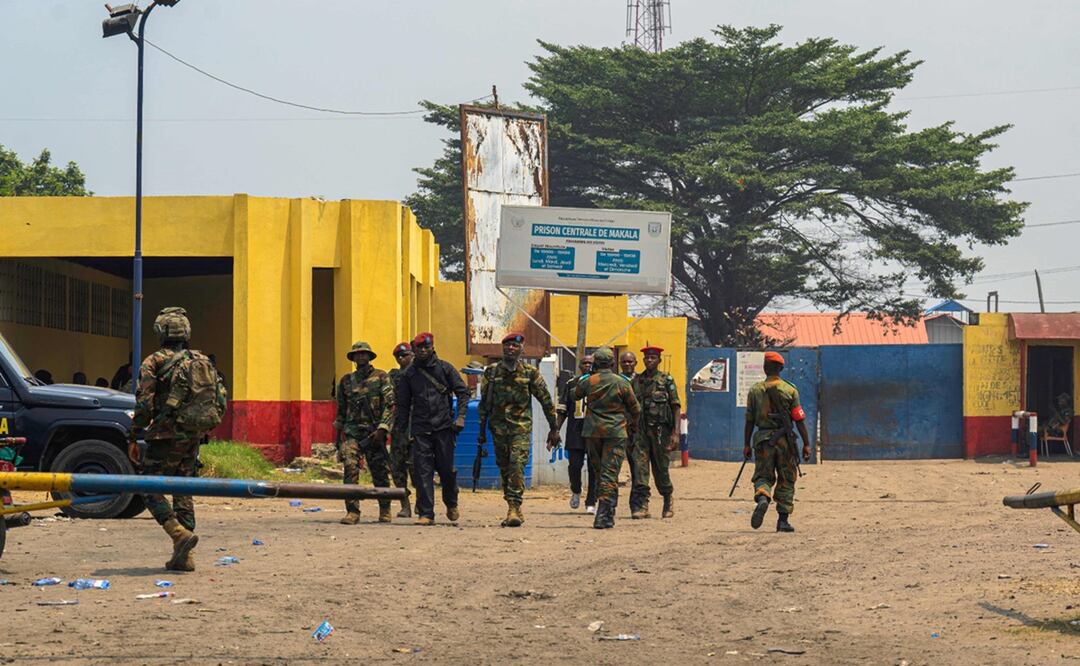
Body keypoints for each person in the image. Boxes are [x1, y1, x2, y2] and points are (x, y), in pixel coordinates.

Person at [132, 306, 227, 571]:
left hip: (164, 435)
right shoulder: (201, 360)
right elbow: (220, 398)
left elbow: (143, 405)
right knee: (183, 490)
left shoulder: (154, 362)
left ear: (160, 331)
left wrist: (133, 436)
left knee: (148, 487)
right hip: (194, 435)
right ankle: (184, 558)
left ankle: (178, 533)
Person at [478, 332, 560, 527]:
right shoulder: (492, 372)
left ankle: (514, 507)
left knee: (516, 466)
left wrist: (553, 428)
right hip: (498, 429)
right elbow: (485, 402)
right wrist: (481, 429)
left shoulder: (530, 373)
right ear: (503, 348)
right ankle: (513, 506)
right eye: (507, 346)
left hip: (520, 429)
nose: (511, 349)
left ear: (521, 349)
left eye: (515, 346)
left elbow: (546, 400)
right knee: (505, 469)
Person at [395, 332, 470, 526]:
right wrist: (400, 433)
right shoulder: (408, 375)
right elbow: (402, 406)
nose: (422, 351)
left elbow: (463, 392)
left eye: (425, 347)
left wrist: (460, 417)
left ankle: (451, 503)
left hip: (444, 428)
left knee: (447, 471)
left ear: (432, 347)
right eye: (419, 348)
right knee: (422, 472)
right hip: (421, 431)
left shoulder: (445, 369)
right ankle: (426, 513)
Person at [573, 347, 640, 529]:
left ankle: (608, 511)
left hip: (592, 433)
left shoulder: (589, 381)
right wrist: (631, 424)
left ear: (595, 363)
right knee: (610, 473)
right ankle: (604, 514)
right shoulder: (622, 382)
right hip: (615, 433)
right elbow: (635, 408)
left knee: (600, 471)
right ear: (612, 363)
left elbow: (575, 394)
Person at [744, 351, 811, 533]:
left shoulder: (755, 390)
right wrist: (806, 443)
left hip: (762, 440)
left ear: (765, 368)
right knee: (786, 478)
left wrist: (746, 444)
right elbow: (799, 419)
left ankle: (763, 496)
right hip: (785, 441)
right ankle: (783, 521)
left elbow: (749, 420)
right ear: (780, 369)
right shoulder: (790, 390)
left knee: (763, 475)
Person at [333, 341, 396, 524]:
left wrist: (383, 428)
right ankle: (352, 511)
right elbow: (341, 411)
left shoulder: (382, 377)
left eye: (364, 354)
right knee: (350, 468)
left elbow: (390, 405)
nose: (361, 357)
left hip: (374, 433)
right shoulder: (346, 381)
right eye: (357, 354)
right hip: (353, 432)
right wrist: (338, 439)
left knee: (379, 472)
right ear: (353, 358)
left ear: (370, 356)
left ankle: (385, 509)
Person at [629, 345, 681, 519]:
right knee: (640, 469)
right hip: (640, 433)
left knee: (661, 470)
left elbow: (675, 407)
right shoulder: (636, 381)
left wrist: (676, 433)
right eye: (647, 358)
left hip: (660, 433)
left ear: (659, 360)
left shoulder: (666, 380)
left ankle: (667, 499)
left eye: (653, 358)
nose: (649, 360)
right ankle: (642, 506)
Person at [554, 354, 596, 513]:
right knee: (575, 466)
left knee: (594, 468)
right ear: (580, 366)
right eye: (584, 363)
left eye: (590, 363)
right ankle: (576, 490)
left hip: (594, 431)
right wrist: (556, 429)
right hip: (575, 431)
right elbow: (562, 409)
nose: (587, 366)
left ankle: (592, 500)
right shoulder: (571, 383)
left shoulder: (600, 383)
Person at [388, 342, 416, 518]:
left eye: (404, 355)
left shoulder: (422, 374)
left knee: (418, 468)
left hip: (418, 427)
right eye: (398, 356)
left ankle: (423, 503)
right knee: (397, 467)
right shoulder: (394, 377)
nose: (401, 359)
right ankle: (405, 504)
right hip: (399, 428)